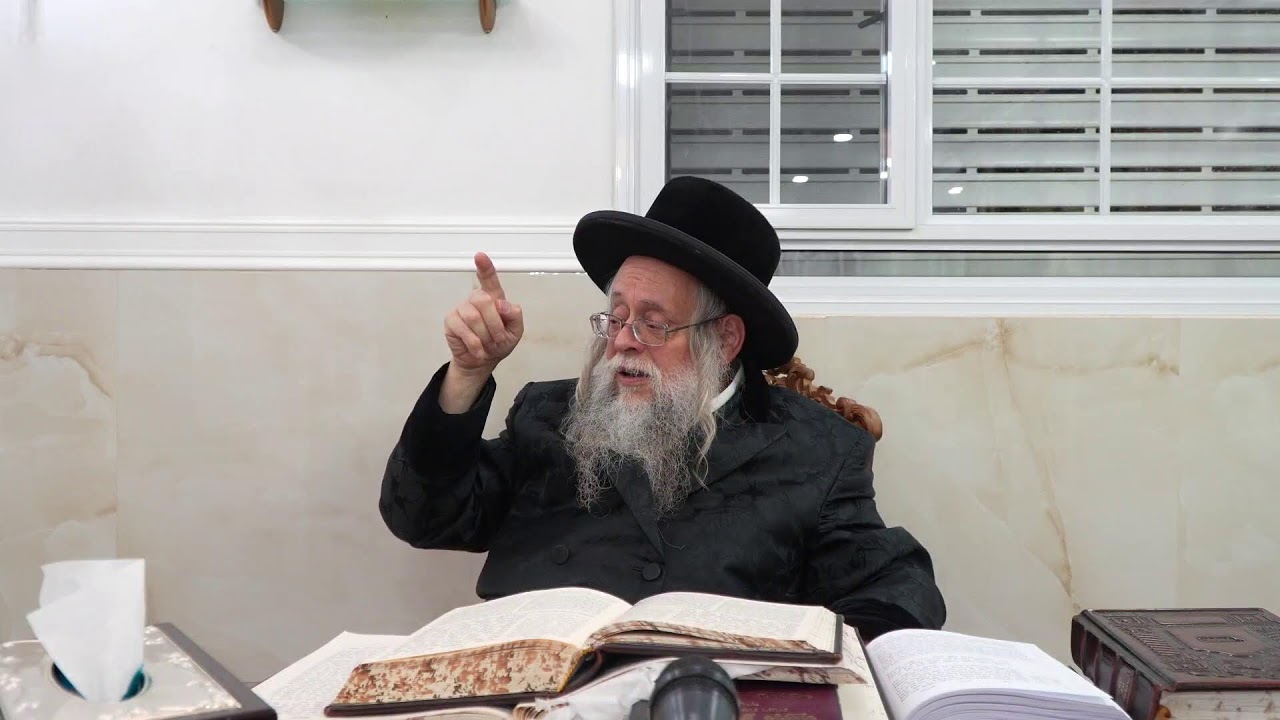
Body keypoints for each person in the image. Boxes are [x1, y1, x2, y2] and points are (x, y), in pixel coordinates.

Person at [379, 176, 946, 640]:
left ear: (725, 339)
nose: (623, 341)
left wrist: (801, 669)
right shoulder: (549, 412)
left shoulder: (816, 448)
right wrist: (468, 375)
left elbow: (897, 591)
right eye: (617, 316)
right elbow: (423, 516)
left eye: (654, 323)